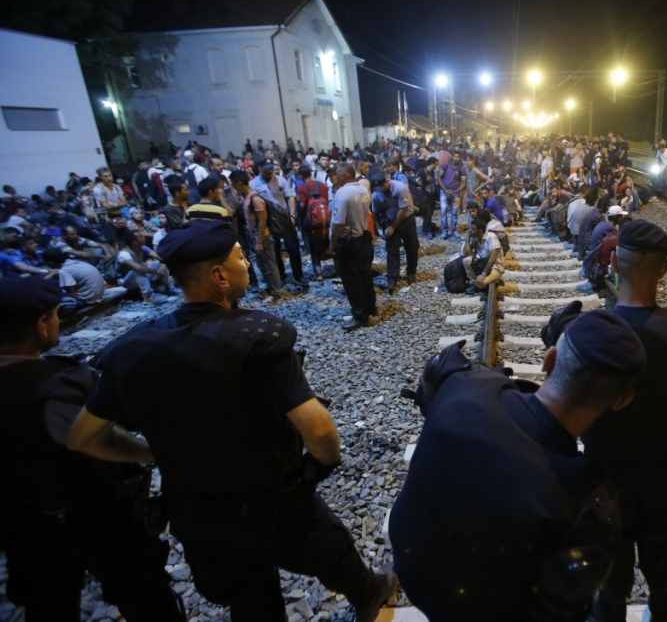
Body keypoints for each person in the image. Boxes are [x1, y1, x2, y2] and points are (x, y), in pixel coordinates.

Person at [67, 220, 398, 622]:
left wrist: (153, 453)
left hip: (196, 511)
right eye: (241, 257)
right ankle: (369, 594)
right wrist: (323, 463)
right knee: (331, 552)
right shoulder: (258, 338)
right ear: (220, 277)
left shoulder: (131, 349)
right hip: (274, 499)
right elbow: (318, 428)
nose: (248, 264)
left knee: (249, 596)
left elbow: (83, 437)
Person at [391, 310, 647, 622]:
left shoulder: (463, 385)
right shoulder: (587, 509)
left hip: (413, 574)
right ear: (623, 400)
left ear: (548, 360)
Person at [0, 275, 186, 621]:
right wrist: (150, 452)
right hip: (91, 514)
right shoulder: (54, 386)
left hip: (20, 524)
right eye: (54, 315)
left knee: (48, 604)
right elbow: (97, 439)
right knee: (144, 594)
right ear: (41, 325)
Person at [585, 220, 667, 622]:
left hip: (607, 475)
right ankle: (664, 606)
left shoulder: (589, 333)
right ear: (664, 269)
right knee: (662, 546)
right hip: (664, 471)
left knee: (613, 549)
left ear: (615, 266)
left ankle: (611, 610)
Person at [327, 164, 376, 331]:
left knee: (352, 280)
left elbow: (338, 222)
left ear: (342, 175)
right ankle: (371, 308)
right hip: (364, 238)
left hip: (350, 242)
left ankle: (360, 315)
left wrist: (333, 243)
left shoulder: (342, 193)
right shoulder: (363, 190)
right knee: (365, 276)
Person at [250, 161, 307, 288]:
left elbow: (290, 197)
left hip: (284, 218)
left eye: (271, 169)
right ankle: (281, 276)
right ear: (259, 168)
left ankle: (298, 275)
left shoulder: (281, 180)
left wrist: (292, 215)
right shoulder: (254, 184)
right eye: (267, 169)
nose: (270, 171)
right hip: (268, 221)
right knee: (274, 251)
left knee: (293, 248)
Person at [230, 170, 284, 301]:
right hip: (255, 236)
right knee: (261, 264)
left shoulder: (255, 198)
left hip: (263, 236)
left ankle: (276, 293)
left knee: (270, 264)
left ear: (239, 183)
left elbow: (262, 221)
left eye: (233, 184)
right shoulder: (247, 197)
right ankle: (269, 287)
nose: (233, 187)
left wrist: (259, 241)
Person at [369, 165, 419, 293]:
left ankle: (411, 271)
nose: (381, 190)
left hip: (406, 220)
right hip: (389, 220)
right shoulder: (376, 194)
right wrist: (379, 229)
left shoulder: (400, 188)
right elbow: (375, 213)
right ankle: (392, 278)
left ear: (386, 181)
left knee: (412, 247)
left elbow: (403, 210)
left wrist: (392, 227)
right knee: (391, 250)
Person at [117, 229, 172, 303]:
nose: (144, 237)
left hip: (138, 278)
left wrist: (162, 266)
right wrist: (156, 272)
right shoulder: (124, 254)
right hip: (126, 281)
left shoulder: (142, 248)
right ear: (135, 242)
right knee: (138, 269)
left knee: (157, 263)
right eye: (140, 236)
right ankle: (148, 297)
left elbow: (160, 257)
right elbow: (138, 268)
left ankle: (169, 286)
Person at [461, 217, 504, 291]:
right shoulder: (474, 237)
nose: (470, 231)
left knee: (482, 283)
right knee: (465, 260)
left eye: (473, 229)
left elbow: (493, 257)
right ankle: (477, 283)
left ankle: (480, 284)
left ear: (480, 231)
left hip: (495, 266)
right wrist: (467, 238)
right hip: (482, 264)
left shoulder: (491, 236)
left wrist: (483, 274)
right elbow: (465, 254)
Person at [437, 152, 466, 239]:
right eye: (455, 155)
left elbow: (464, 183)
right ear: (452, 156)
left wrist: (455, 191)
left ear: (460, 158)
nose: (456, 158)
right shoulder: (446, 165)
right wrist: (445, 189)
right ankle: (445, 231)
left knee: (454, 213)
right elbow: (439, 177)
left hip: (455, 192)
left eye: (458, 156)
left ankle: (454, 231)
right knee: (443, 213)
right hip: (444, 192)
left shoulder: (462, 168)